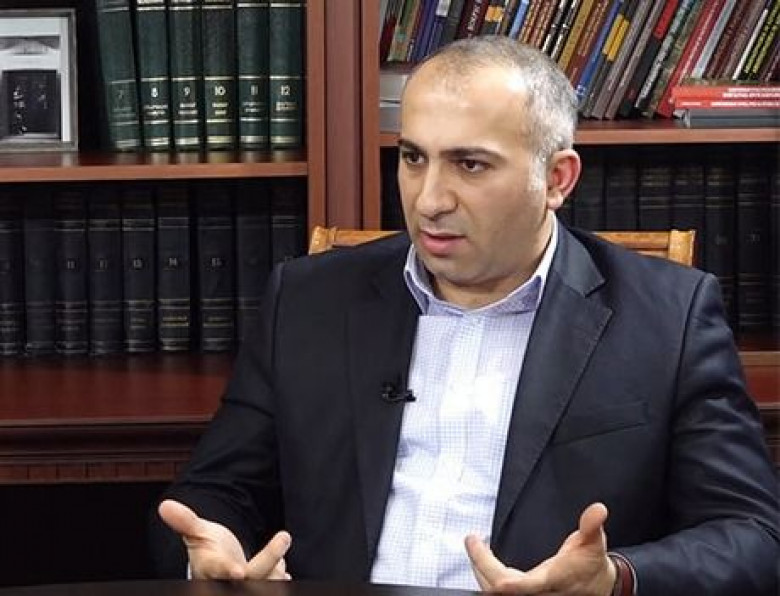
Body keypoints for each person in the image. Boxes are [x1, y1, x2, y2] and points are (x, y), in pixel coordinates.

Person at [150, 36, 779, 595]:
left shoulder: (667, 317)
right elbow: (214, 495)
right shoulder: (309, 299)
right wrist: (209, 550)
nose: (429, 199)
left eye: (469, 165)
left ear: (557, 178)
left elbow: (754, 537)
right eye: (413, 158)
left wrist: (617, 579)